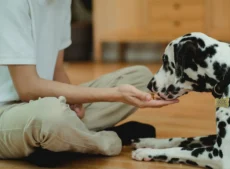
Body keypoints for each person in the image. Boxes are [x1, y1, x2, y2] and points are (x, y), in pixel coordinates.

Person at [0, 0, 178, 166]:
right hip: (6, 113)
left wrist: (73, 102)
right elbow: (28, 88)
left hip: (41, 102)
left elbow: (57, 70)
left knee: (141, 77)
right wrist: (115, 94)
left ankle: (63, 142)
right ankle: (109, 141)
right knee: (52, 117)